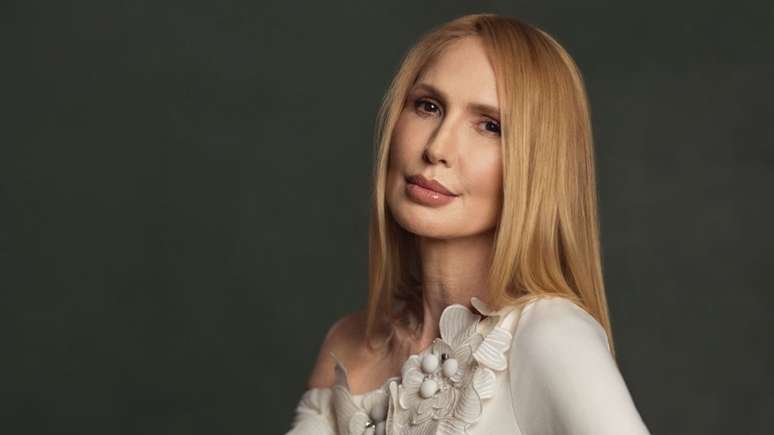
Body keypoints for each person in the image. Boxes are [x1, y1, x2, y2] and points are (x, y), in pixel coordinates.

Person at [285, 13, 651, 435]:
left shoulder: (548, 335)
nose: (437, 147)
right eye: (428, 106)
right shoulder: (348, 343)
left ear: (538, 165)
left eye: (490, 126)